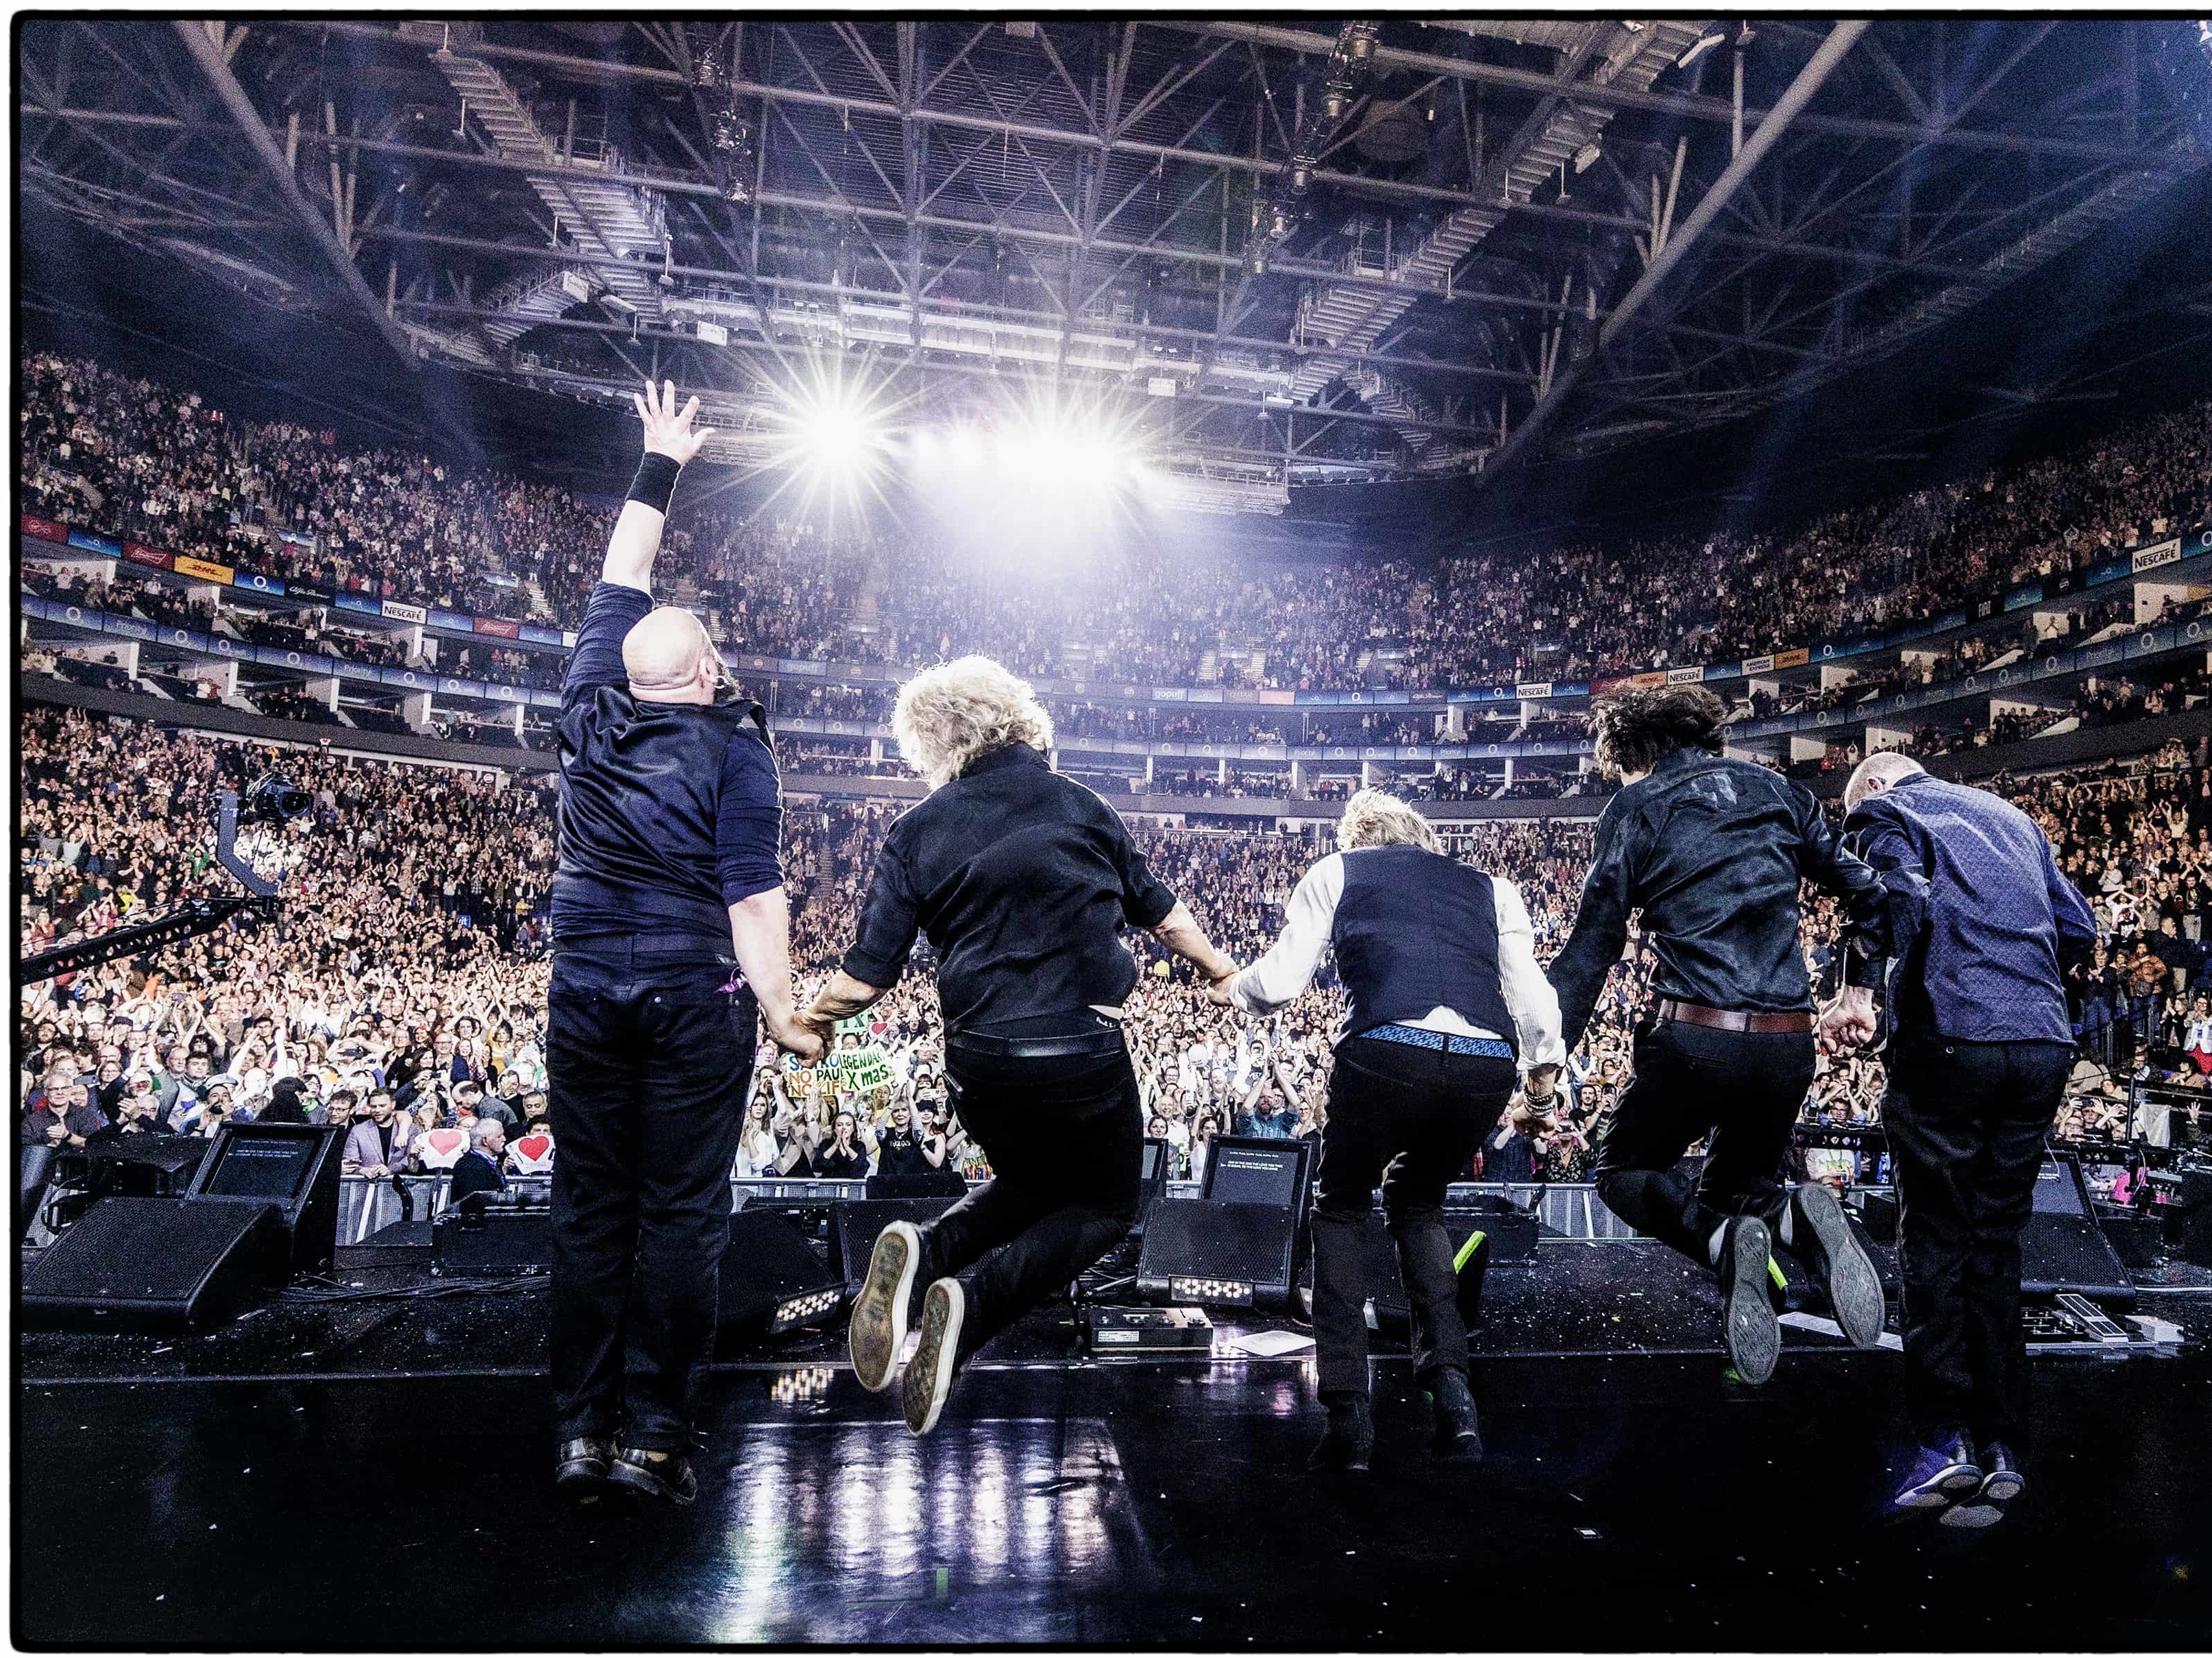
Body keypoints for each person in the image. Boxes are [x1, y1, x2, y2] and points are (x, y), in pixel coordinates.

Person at [804, 655, 1236, 1435]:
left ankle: (924, 1254)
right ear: (1017, 717)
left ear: (934, 743)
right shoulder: (1084, 808)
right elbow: (1167, 920)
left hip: (981, 1056)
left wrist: (811, 1018)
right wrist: (1217, 970)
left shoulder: (917, 831)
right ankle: (964, 1309)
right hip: (1082, 1048)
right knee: (1105, 1206)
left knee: (1032, 1184)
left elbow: (864, 980)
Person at [542, 382, 825, 1507]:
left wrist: (656, 462)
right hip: (691, 997)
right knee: (679, 1215)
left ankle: (579, 1434)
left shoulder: (588, 701)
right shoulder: (734, 747)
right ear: (704, 671)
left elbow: (622, 574)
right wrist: (786, 1013)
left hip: (585, 989)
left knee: (590, 1210)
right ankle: (655, 1436)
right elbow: (754, 903)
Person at [1545, 687, 1893, 1386]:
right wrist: (1856, 990)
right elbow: (1871, 889)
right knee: (1740, 1184)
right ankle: (1790, 1214)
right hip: (1787, 1042)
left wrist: (1545, 1058)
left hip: (1697, 1038)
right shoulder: (1781, 793)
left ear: (1636, 749)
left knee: (1622, 1173)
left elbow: (1592, 948)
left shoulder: (1636, 807)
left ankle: (1730, 1242)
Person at [1217, 789, 1566, 1470]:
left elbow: (1281, 982)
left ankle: (1349, 1414)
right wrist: (1542, 1079)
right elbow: (1530, 991)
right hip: (1483, 1062)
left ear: (1358, 836)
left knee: (1342, 1207)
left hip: (1385, 1049)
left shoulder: (1340, 869)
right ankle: (1455, 1397)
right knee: (1418, 1205)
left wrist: (1235, 990)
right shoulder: (1492, 887)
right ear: (1422, 835)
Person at [1824, 750, 2097, 1531]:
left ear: (1874, 786)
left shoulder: (1884, 815)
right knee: (1996, 1244)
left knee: (1936, 1241)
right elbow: (2079, 927)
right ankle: (2005, 1447)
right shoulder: (2013, 819)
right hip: (2041, 1043)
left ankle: (1946, 1443)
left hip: (1951, 1039)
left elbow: (1894, 898)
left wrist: (1858, 993)